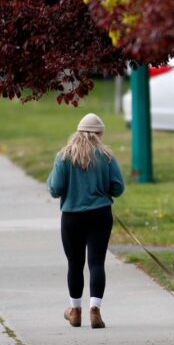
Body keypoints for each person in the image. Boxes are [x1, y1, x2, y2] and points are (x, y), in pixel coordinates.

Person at [47, 112, 125, 329]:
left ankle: (75, 311)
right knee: (97, 262)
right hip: (100, 214)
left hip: (72, 217)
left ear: (78, 132)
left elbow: (55, 189)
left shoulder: (64, 156)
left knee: (75, 263)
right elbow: (118, 187)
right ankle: (95, 310)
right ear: (98, 134)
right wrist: (102, 189)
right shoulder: (106, 156)